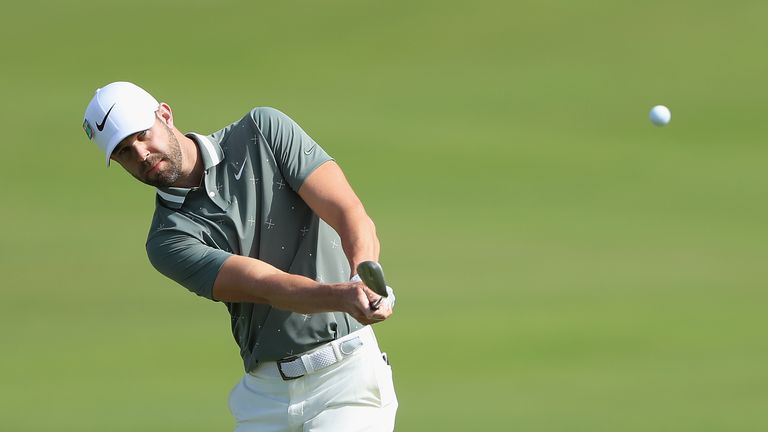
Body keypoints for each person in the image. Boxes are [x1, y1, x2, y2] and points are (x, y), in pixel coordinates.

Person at [82, 81, 397, 431]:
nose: (141, 154)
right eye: (124, 152)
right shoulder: (167, 240)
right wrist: (343, 296)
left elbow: (348, 211)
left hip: (346, 380)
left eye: (142, 135)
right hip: (264, 397)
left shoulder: (262, 131)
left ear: (165, 115)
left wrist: (362, 277)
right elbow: (268, 285)